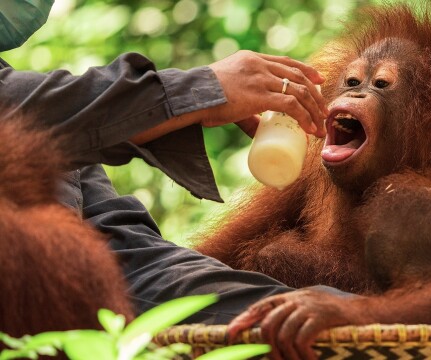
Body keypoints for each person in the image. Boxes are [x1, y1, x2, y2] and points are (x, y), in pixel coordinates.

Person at [0, 1, 345, 324]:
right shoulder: (34, 112)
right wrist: (198, 91)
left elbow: (129, 265)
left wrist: (341, 316)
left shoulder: (55, 140)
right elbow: (20, 107)